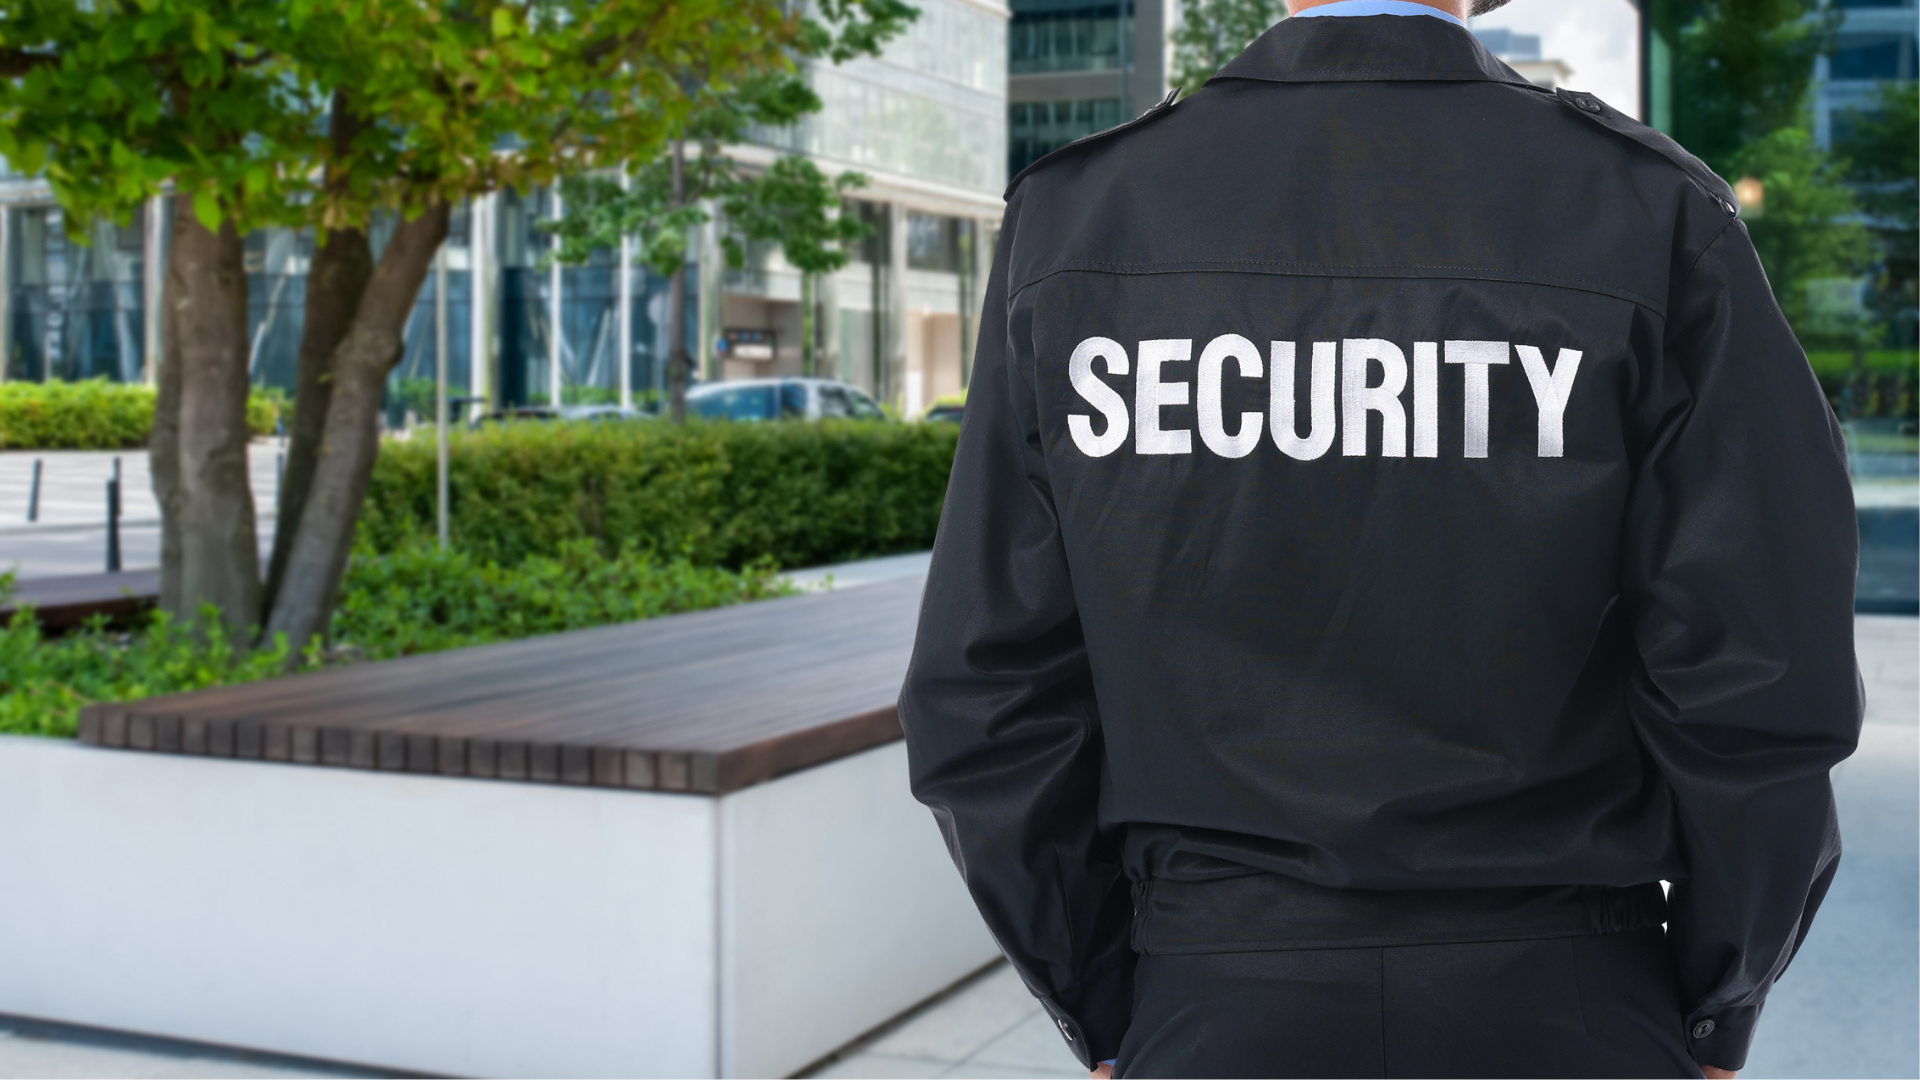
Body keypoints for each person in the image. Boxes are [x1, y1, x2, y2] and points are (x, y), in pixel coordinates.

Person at [896, 0, 1864, 1077]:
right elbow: (1758, 675)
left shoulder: (1078, 218)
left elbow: (988, 695)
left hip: (1212, 993)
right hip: (1572, 996)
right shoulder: (1648, 208)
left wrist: (1102, 998)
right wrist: (1718, 1004)